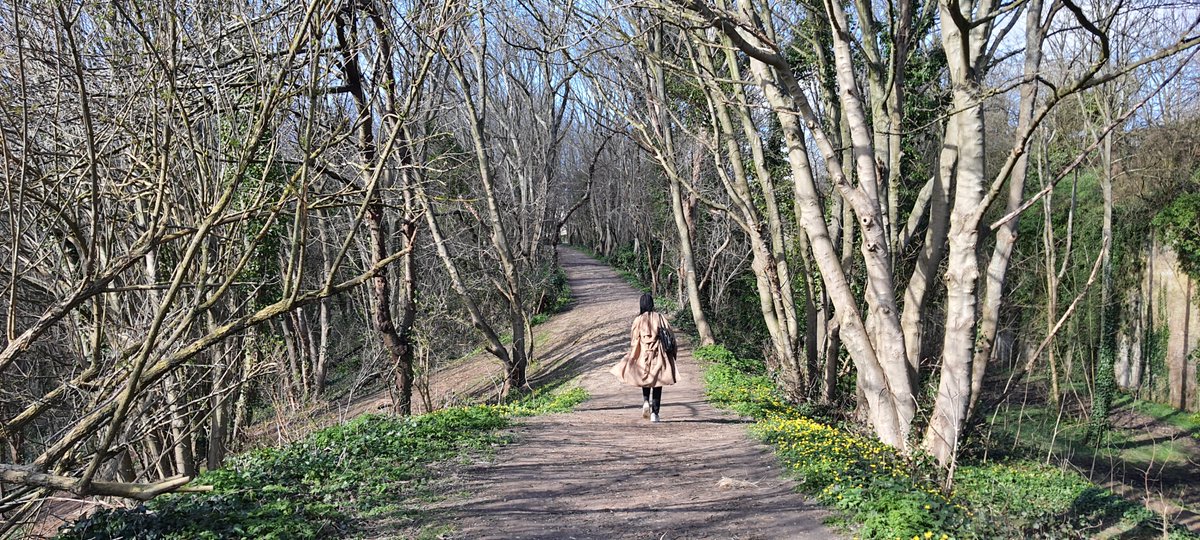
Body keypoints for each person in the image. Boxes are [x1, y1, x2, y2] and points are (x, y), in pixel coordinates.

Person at [609, 293, 678, 422]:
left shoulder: (638, 320)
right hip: (659, 354)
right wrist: (673, 352)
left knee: (645, 378)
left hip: (643, 353)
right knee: (658, 382)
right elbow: (670, 335)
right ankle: (655, 413)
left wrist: (633, 354)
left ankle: (646, 401)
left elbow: (634, 339)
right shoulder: (660, 318)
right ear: (652, 304)